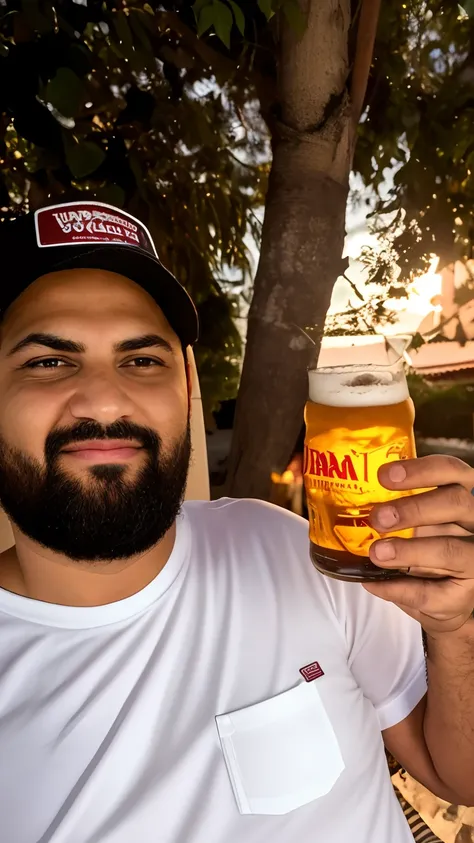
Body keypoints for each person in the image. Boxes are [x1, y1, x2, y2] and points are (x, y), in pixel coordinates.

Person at [0, 199, 473, 843]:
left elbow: (459, 776)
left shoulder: (293, 548)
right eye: (47, 361)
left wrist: (460, 633)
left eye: (142, 360)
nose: (106, 397)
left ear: (187, 384)